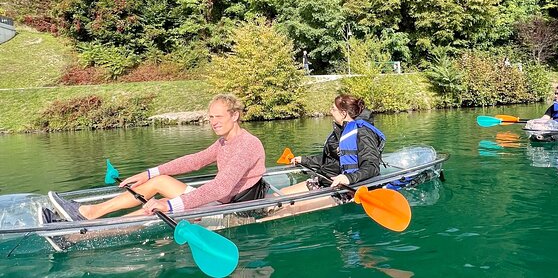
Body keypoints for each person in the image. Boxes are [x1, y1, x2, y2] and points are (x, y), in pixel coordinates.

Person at [46, 94, 267, 222]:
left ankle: (85, 230)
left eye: (219, 117)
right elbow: (194, 161)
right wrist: (147, 173)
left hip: (234, 215)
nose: (213, 122)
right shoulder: (224, 142)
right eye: (210, 117)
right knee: (159, 182)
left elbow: (220, 188)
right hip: (219, 203)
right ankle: (91, 213)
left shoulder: (247, 144)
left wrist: (168, 205)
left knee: (150, 208)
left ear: (235, 115)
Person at [282, 94, 385, 193]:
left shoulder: (363, 133)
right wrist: (304, 160)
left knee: (284, 208)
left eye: (333, 109)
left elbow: (372, 166)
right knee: (280, 193)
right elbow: (330, 161)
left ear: (343, 113)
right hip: (326, 181)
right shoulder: (339, 132)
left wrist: (348, 178)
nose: (330, 111)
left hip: (347, 188)